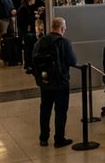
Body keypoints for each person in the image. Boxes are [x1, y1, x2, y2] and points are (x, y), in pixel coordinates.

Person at [32, 17, 78, 148]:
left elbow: (33, 60)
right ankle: (59, 139)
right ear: (62, 29)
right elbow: (72, 61)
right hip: (61, 82)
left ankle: (43, 138)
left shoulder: (40, 41)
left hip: (45, 81)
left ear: (52, 27)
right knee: (61, 111)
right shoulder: (64, 42)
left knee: (45, 109)